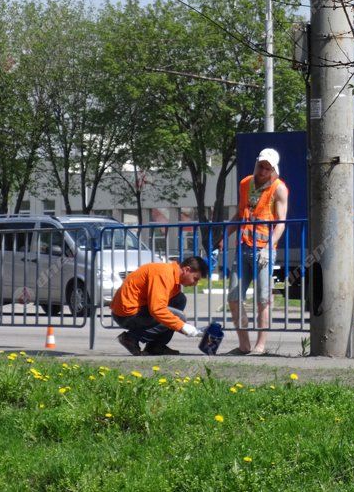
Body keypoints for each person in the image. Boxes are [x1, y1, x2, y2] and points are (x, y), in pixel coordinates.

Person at [221, 147, 289, 355]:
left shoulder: (279, 189)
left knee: (263, 300)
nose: (262, 171)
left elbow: (281, 223)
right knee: (233, 298)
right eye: (261, 166)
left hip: (264, 252)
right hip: (243, 248)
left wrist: (269, 248)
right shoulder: (245, 184)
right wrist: (225, 236)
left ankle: (260, 345)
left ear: (273, 170)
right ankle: (244, 345)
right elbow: (240, 215)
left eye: (267, 168)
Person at [111, 256, 209, 356]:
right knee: (178, 317)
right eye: (195, 279)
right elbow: (157, 310)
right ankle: (131, 338)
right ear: (186, 270)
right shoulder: (164, 274)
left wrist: (190, 329)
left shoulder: (172, 276)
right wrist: (183, 326)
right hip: (127, 315)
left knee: (179, 299)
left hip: (136, 310)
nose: (195, 283)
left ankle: (155, 346)